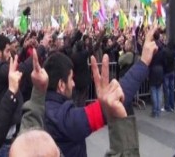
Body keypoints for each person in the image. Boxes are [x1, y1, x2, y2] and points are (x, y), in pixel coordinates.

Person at [43, 26, 158, 157]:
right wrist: (143, 63)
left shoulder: (36, 111)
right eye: (71, 79)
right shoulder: (65, 121)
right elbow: (114, 99)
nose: (73, 83)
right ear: (61, 85)